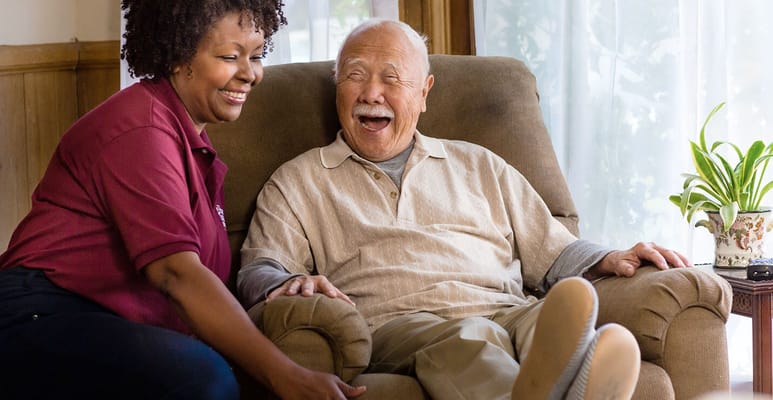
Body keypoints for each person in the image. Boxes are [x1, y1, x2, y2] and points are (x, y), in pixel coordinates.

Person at [237, 18, 693, 400]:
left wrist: (607, 257)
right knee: (469, 340)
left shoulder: (479, 164)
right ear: (338, 85)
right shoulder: (299, 180)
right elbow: (260, 267)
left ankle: (565, 379)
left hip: (506, 308)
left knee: (547, 320)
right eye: (355, 75)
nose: (371, 93)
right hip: (399, 321)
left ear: (424, 92)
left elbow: (552, 250)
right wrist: (287, 280)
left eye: (391, 78)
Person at [0, 1, 367, 399]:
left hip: (107, 319)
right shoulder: (141, 129)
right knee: (202, 377)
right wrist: (287, 376)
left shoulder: (192, 145)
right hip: (39, 314)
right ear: (179, 57)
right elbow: (176, 275)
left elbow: (208, 281)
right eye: (230, 57)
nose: (250, 74)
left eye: (257, 56)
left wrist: (282, 283)